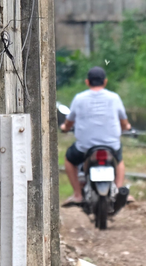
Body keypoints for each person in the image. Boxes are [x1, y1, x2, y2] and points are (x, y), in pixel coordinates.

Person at [60, 66, 131, 207]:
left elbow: (69, 122)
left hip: (85, 148)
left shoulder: (79, 98)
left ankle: (78, 195)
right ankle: (117, 189)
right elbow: (124, 122)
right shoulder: (114, 98)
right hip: (111, 146)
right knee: (119, 160)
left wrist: (65, 128)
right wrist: (127, 127)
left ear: (87, 82)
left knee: (69, 159)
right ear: (105, 82)